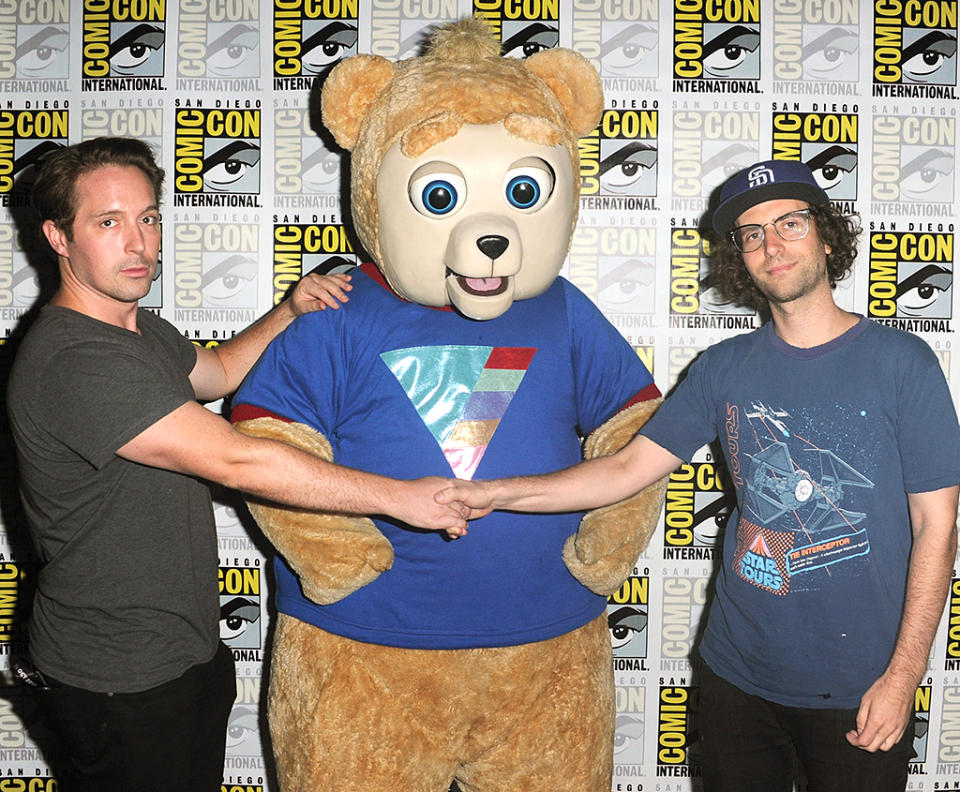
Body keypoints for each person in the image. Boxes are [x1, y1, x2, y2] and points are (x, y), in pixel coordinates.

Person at [439, 159, 960, 791]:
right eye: (751, 234)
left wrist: (903, 678)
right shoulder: (723, 368)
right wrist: (497, 492)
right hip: (734, 676)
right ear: (741, 258)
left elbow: (937, 524)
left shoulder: (901, 361)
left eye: (790, 223)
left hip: (861, 685)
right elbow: (627, 468)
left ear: (825, 236)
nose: (773, 244)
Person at [5, 136, 467, 792]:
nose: (138, 244)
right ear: (57, 237)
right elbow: (236, 460)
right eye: (108, 223)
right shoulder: (75, 361)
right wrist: (397, 496)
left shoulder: (139, 332)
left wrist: (290, 309)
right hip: (118, 678)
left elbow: (217, 371)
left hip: (181, 650)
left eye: (149, 217)